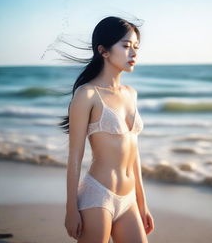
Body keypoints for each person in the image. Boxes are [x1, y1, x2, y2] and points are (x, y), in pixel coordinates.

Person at [59, 16, 154, 243]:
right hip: (98, 195)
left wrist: (142, 204)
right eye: (126, 46)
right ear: (103, 51)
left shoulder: (131, 93)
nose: (133, 53)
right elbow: (75, 156)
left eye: (135, 47)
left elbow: (134, 154)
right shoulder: (88, 94)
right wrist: (71, 208)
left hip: (129, 198)